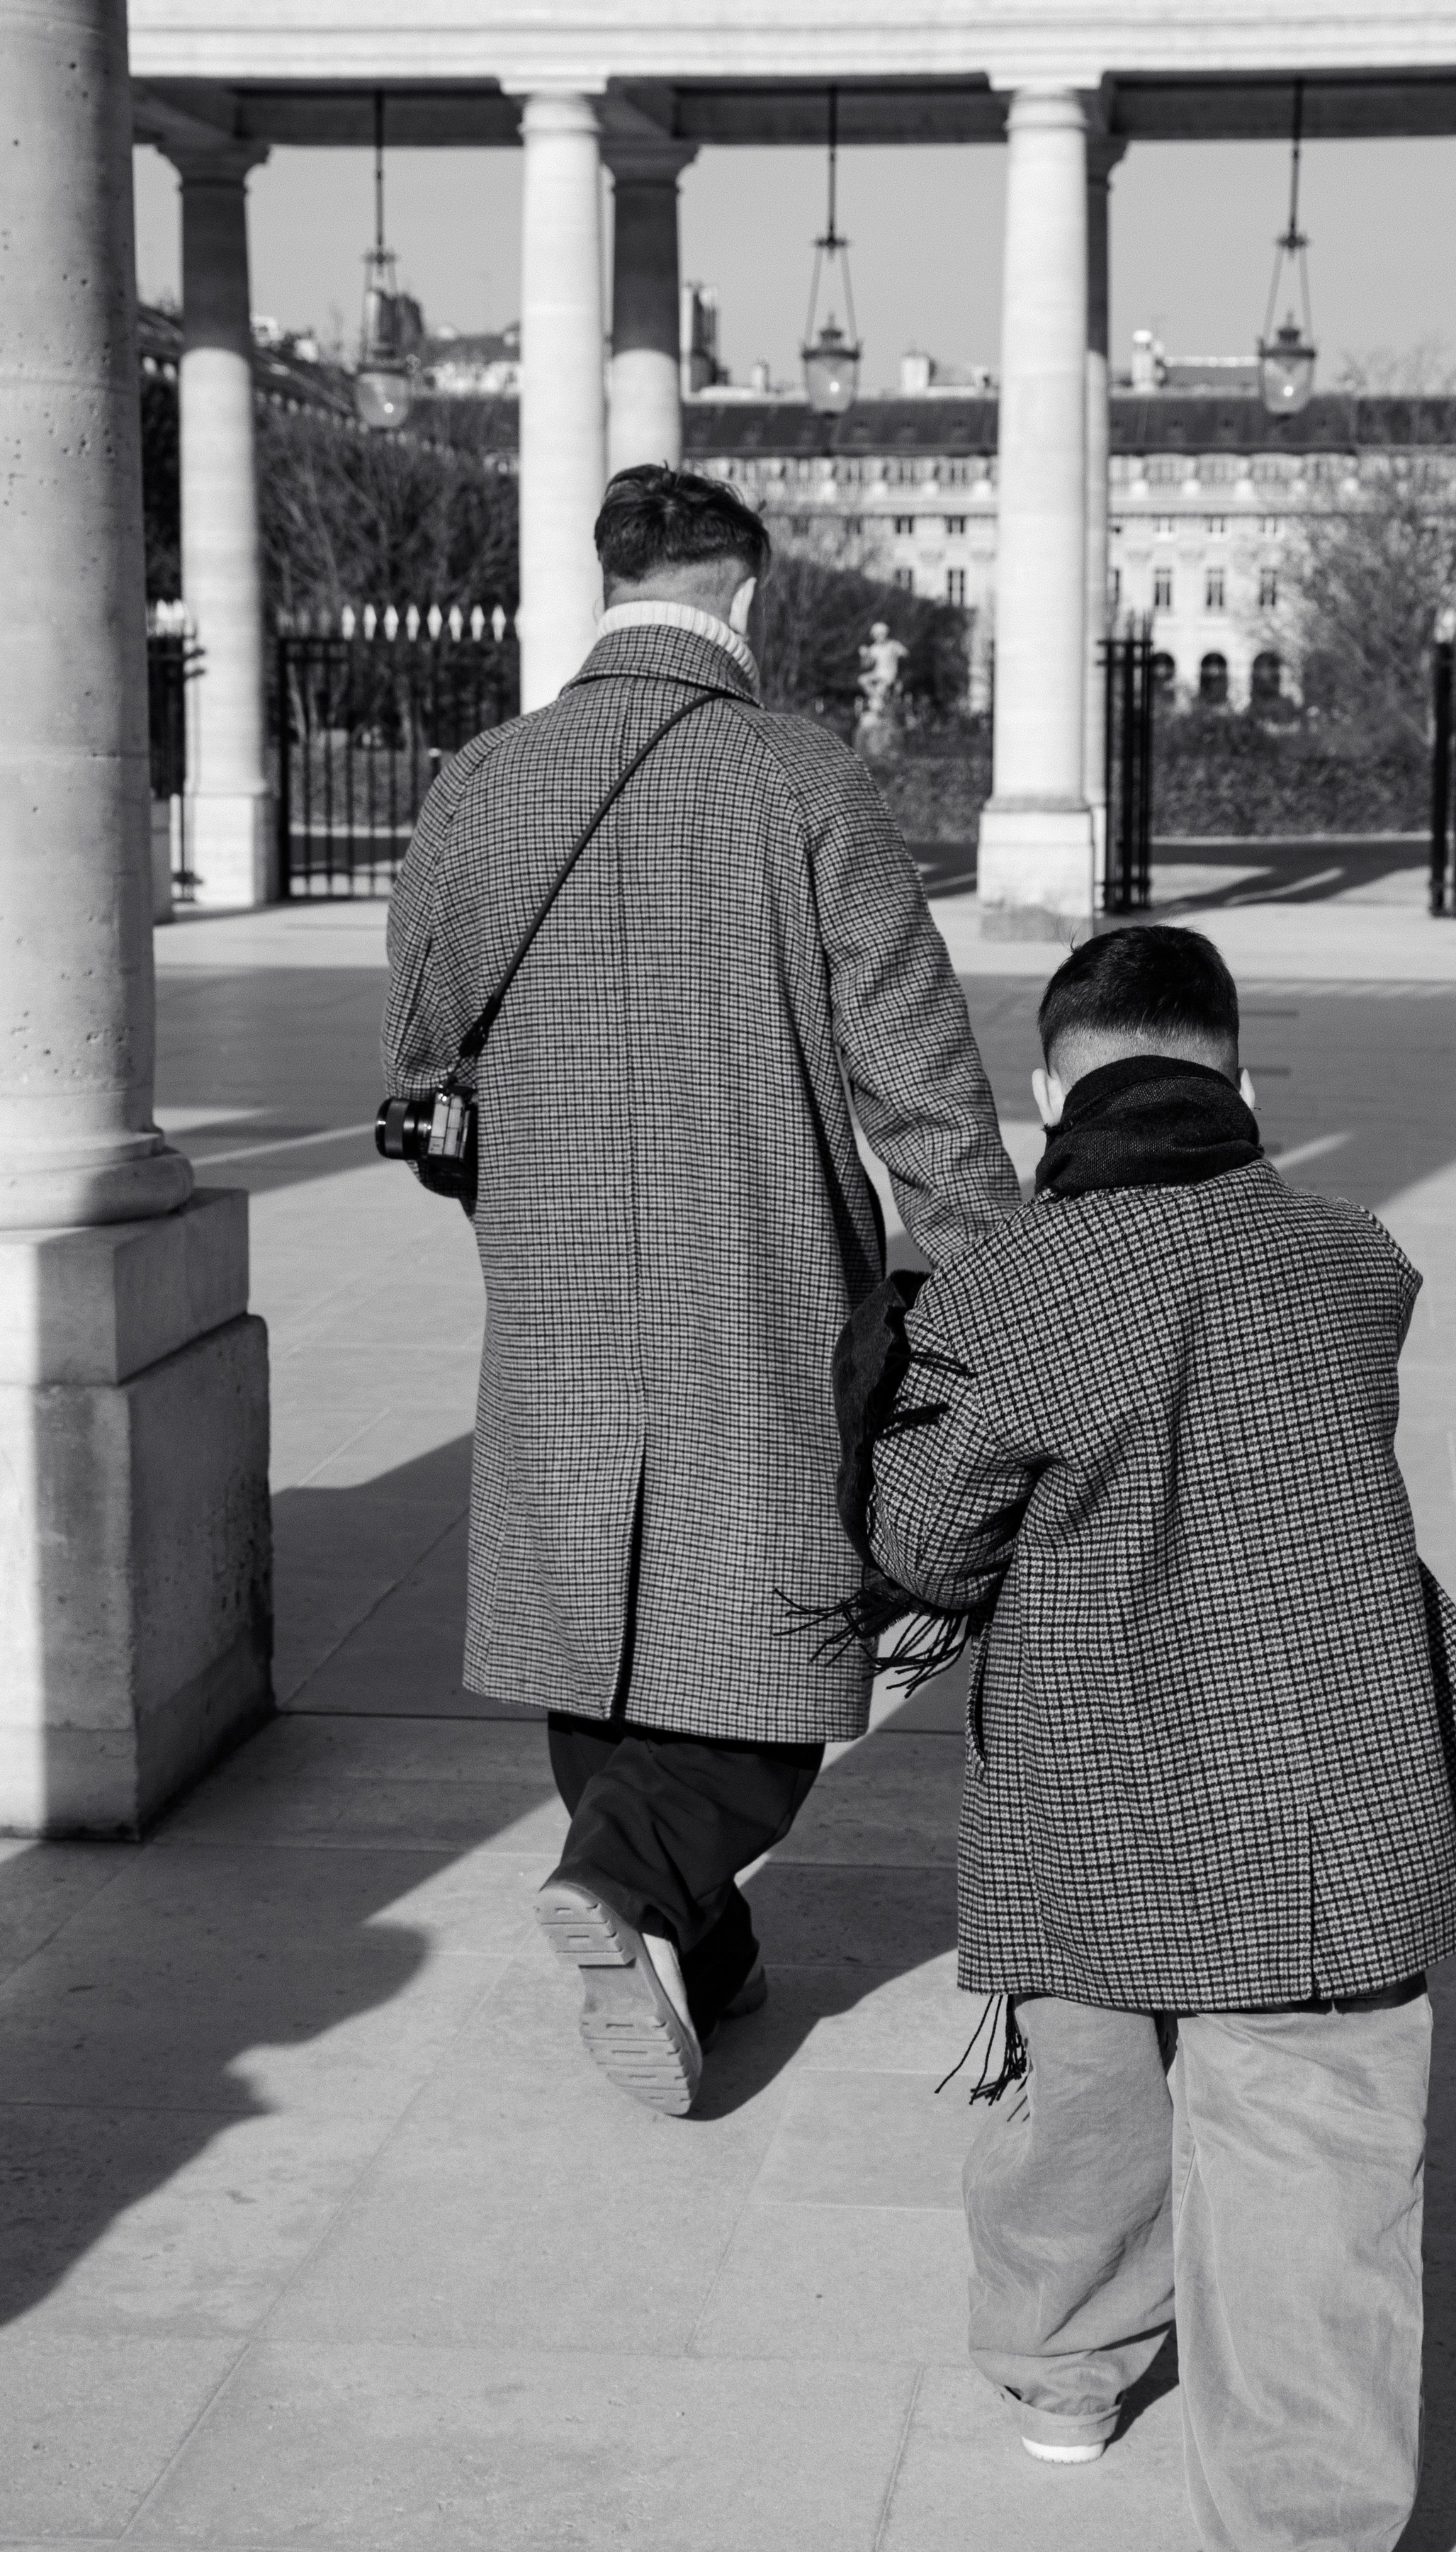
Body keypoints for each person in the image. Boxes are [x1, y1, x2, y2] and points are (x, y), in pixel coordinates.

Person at [830, 926, 1456, 2552]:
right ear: (1244, 1080)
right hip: (1330, 1753)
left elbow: (926, 1540)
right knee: (1315, 2136)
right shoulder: (1352, 1255)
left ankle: (1063, 2375)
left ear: (1047, 1099)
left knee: (1087, 2087)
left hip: (1092, 1749)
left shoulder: (1011, 1288)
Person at [383, 464, 1018, 2115]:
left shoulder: (478, 783)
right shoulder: (800, 777)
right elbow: (918, 1078)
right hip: (760, 1279)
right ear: (746, 590)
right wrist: (990, 1283)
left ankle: (698, 1948)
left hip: (552, 1283)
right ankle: (629, 1889)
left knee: (597, 1630)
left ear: (609, 579)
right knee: (769, 1631)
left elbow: (421, 1056)